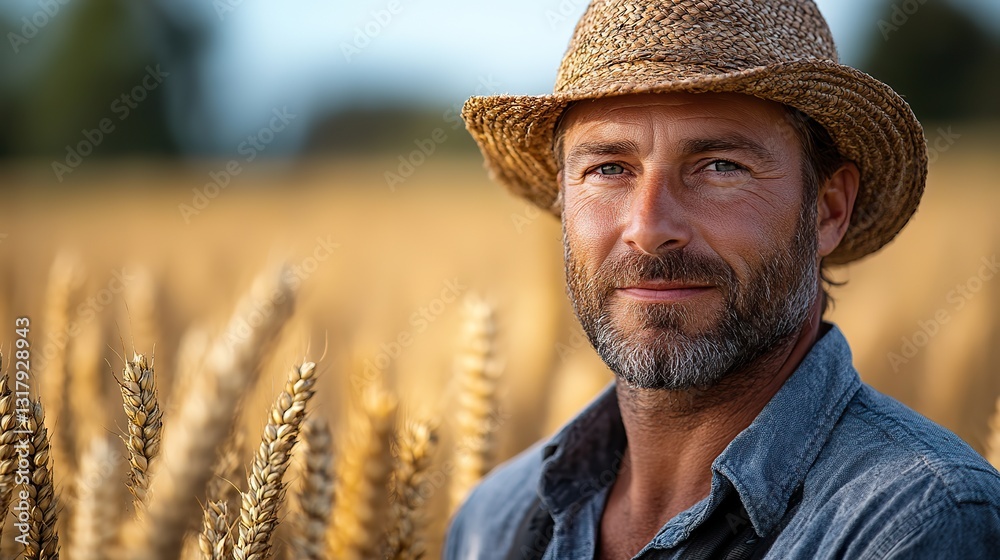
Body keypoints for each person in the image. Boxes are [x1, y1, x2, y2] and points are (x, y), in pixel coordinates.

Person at [445, 0, 1000, 558]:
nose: (649, 228)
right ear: (564, 201)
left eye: (720, 166)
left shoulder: (918, 522)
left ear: (828, 209)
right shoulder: (491, 521)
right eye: (608, 168)